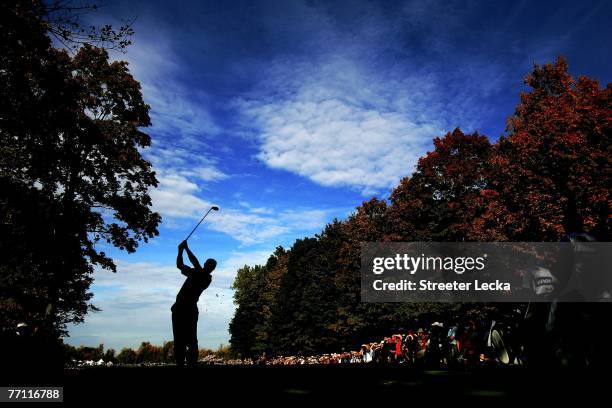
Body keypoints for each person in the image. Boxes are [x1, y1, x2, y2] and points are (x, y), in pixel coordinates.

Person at [172, 240, 216, 367]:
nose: (208, 267)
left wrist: (185, 248)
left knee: (190, 338)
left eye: (211, 266)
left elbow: (195, 263)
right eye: (208, 264)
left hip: (188, 309)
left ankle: (191, 363)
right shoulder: (195, 273)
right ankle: (181, 362)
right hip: (180, 308)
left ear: (212, 269)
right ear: (206, 264)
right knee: (179, 338)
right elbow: (179, 265)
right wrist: (180, 250)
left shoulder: (205, 277)